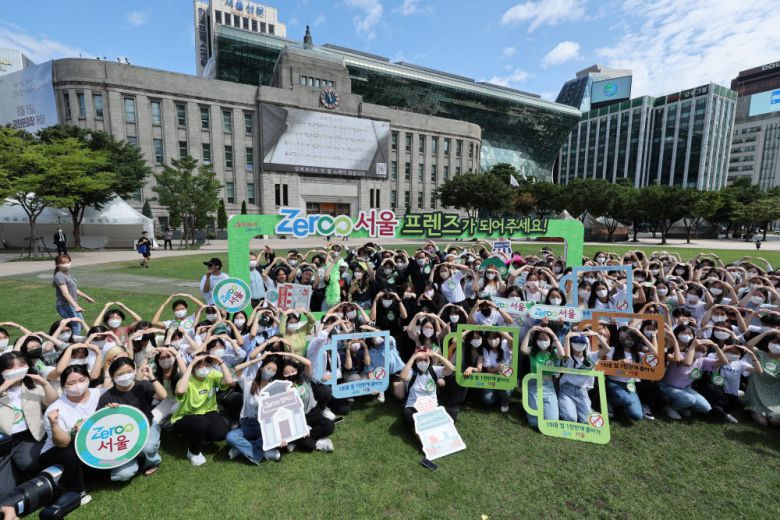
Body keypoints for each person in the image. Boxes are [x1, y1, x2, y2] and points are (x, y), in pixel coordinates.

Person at [40, 365, 102, 505]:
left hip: (91, 444)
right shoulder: (56, 409)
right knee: (70, 452)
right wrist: (55, 424)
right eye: (71, 383)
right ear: (62, 386)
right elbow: (62, 443)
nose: (78, 386)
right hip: (59, 450)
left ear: (88, 379)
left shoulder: (99, 394)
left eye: (81, 380)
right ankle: (77, 490)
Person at [97, 358, 167, 480]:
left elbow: (163, 395)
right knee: (123, 475)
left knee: (147, 447)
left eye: (129, 372)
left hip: (147, 427)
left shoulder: (142, 386)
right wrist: (107, 412)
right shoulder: (106, 397)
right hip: (123, 435)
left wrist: (152, 377)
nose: (125, 376)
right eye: (120, 374)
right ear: (113, 376)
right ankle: (137, 459)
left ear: (134, 371)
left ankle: (152, 461)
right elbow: (100, 425)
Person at [0, 352, 58, 490]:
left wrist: (44, 383)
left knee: (29, 463)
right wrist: (3, 387)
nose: (16, 370)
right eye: (10, 367)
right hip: (3, 442)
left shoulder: (34, 387)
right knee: (4, 492)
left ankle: (21, 469)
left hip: (28, 437)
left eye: (21, 365)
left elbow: (52, 402)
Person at [171, 353, 234, 466]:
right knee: (202, 423)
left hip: (208, 411)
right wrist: (190, 366)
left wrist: (220, 361)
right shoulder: (187, 379)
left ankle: (201, 437)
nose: (203, 367)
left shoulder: (212, 374)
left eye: (207, 364)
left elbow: (229, 381)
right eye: (199, 364)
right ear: (194, 366)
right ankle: (193, 452)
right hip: (186, 415)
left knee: (221, 433)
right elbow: (180, 391)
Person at [52, 255, 94, 337]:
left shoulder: (67, 274)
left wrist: (86, 297)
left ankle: (65, 339)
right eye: (63, 263)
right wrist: (76, 306)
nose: (66, 264)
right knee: (76, 327)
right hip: (65, 305)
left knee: (81, 325)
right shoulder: (59, 276)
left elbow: (74, 289)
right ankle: (71, 346)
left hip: (71, 305)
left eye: (68, 262)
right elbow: (65, 293)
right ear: (57, 264)